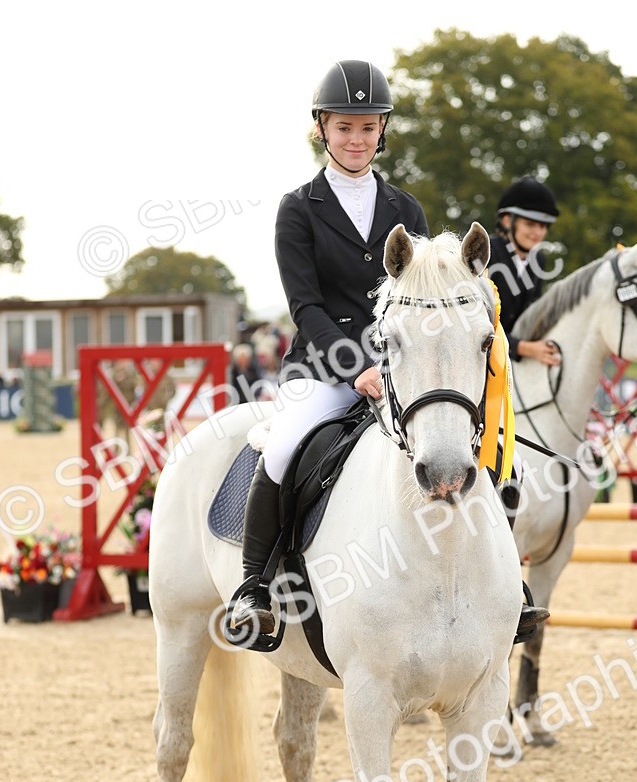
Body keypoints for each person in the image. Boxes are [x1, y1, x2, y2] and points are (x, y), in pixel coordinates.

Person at [227, 60, 549, 645]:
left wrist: (406, 365)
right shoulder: (298, 208)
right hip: (324, 367)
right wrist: (356, 368)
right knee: (282, 446)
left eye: (368, 128)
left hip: (404, 365)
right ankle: (254, 586)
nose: (356, 139)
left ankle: (507, 589)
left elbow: (425, 304)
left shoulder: (407, 210)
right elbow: (305, 306)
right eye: (344, 127)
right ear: (322, 128)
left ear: (382, 132)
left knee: (496, 450)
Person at [487, 176, 562, 368]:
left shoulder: (538, 260)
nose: (538, 232)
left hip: (512, 365)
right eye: (530, 224)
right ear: (507, 221)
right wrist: (522, 347)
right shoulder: (486, 253)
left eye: (543, 226)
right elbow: (475, 320)